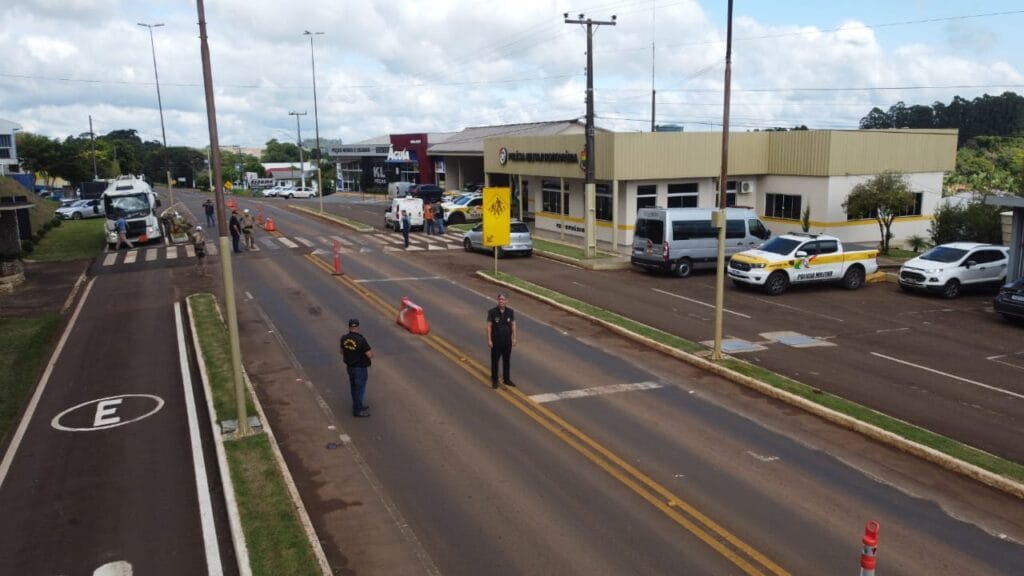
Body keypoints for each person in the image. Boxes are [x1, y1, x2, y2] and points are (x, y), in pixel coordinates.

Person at [340, 318, 374, 417]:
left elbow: (341, 351)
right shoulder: (361, 339)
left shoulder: (344, 338)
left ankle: (358, 405)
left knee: (354, 387)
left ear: (349, 327)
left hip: (350, 367)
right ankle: (357, 410)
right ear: (358, 327)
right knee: (360, 389)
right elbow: (369, 355)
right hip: (360, 368)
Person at [486, 293, 517, 389]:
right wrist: (489, 340)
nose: (501, 301)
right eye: (500, 299)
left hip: (507, 341)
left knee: (506, 360)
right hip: (496, 341)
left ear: (506, 301)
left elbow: (513, 325)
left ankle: (506, 379)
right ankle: (495, 380)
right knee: (495, 361)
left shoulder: (510, 312)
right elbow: (489, 326)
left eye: (503, 299)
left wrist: (514, 338)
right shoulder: (492, 312)